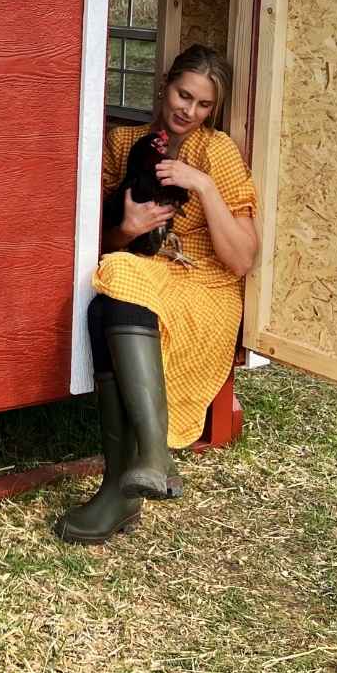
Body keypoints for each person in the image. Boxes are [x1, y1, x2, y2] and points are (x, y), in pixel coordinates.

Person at [56, 44, 260, 545]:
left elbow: (242, 260)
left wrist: (205, 187)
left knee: (118, 286)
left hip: (206, 284)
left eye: (203, 104)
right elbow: (97, 242)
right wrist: (125, 229)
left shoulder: (217, 152)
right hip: (148, 276)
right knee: (108, 296)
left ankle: (143, 465)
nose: (188, 110)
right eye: (182, 94)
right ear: (165, 85)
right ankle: (126, 481)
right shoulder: (124, 142)